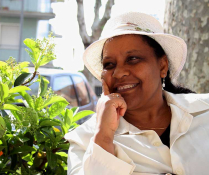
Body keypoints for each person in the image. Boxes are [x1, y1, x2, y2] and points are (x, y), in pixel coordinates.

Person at [64, 12, 209, 175]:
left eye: (132, 59)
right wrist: (104, 137)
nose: (118, 73)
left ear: (162, 66)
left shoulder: (205, 112)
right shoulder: (85, 139)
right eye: (109, 64)